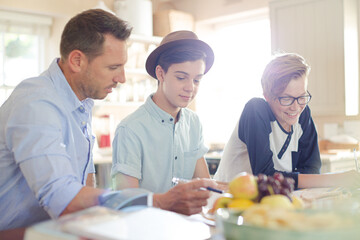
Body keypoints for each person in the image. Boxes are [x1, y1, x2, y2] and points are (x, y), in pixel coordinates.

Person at [0, 10, 215, 231]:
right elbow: (62, 197)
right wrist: (157, 201)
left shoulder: (80, 103)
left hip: (55, 231)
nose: (121, 78)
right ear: (77, 61)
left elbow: (85, 181)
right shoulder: (36, 104)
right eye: (113, 67)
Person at [214, 53, 360, 189]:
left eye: (302, 96)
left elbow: (311, 169)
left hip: (270, 201)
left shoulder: (303, 115)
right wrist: (334, 179)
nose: (296, 107)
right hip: (229, 199)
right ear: (267, 95)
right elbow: (265, 176)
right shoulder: (256, 110)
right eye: (287, 99)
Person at [111, 30, 217, 211]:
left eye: (197, 80)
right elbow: (125, 202)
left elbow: (205, 187)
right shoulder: (131, 129)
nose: (190, 88)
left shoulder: (194, 123)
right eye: (181, 77)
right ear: (160, 74)